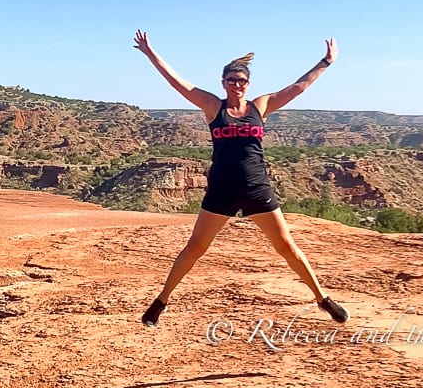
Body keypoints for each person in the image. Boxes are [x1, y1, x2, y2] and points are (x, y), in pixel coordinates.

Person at [133, 30, 349, 326]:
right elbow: (177, 82)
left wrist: (326, 62)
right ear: (223, 83)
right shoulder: (213, 107)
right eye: (231, 80)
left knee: (285, 245)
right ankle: (161, 301)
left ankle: (322, 299)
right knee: (195, 247)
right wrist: (150, 54)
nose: (237, 85)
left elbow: (298, 87)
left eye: (242, 81)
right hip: (221, 190)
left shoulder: (260, 107)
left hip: (256, 188)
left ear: (248, 84)